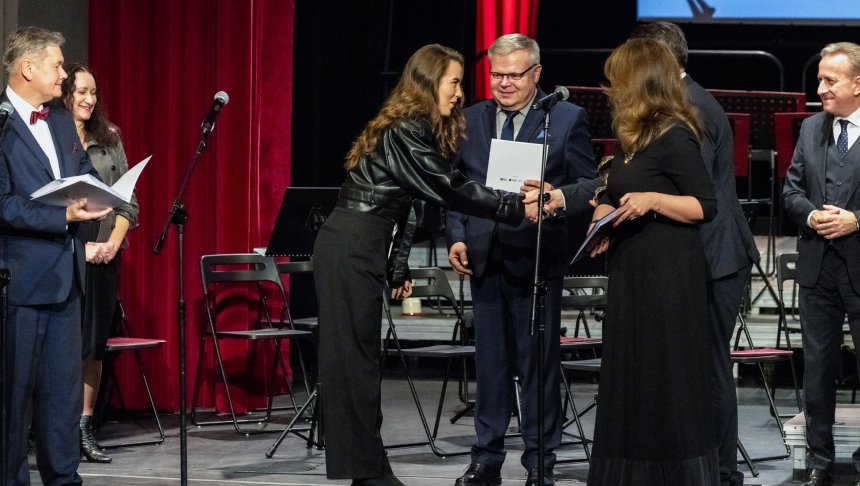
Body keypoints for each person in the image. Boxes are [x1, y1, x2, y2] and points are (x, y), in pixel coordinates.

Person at [313, 43, 529, 486]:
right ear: (430, 83)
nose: (460, 93)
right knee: (353, 364)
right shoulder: (406, 129)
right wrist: (512, 206)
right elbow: (446, 186)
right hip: (352, 243)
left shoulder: (411, 129)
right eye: (454, 82)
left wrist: (397, 266)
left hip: (364, 243)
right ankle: (368, 474)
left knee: (361, 362)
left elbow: (407, 205)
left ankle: (370, 473)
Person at [446, 33, 596, 486]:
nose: (504, 83)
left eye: (514, 75)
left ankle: (539, 461)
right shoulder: (470, 119)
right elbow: (455, 186)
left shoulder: (566, 118)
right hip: (484, 256)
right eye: (497, 74)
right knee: (489, 365)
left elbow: (590, 186)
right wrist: (457, 236)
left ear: (536, 73)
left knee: (537, 366)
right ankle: (486, 458)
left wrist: (554, 197)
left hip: (536, 259)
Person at [628, 22, 759, 486]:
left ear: (659, 60)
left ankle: (721, 472)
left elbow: (693, 193)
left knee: (708, 366)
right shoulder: (678, 103)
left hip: (714, 257)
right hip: (702, 255)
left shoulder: (691, 108)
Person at [585, 38, 719, 485]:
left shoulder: (675, 135)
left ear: (639, 81)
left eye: (617, 78)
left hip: (667, 277)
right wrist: (604, 213)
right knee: (632, 373)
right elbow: (616, 190)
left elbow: (704, 206)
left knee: (664, 374)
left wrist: (654, 200)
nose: (610, 87)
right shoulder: (632, 136)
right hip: (632, 271)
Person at [0, 27, 111, 485]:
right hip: (19, 285)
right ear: (28, 68)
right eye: (58, 65)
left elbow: (82, 173)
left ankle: (64, 480)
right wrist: (61, 215)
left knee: (62, 399)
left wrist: (102, 195)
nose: (64, 74)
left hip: (66, 282)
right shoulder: (2, 124)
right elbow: (3, 204)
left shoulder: (62, 122)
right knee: (12, 400)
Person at [782, 41, 860, 486]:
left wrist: (856, 220)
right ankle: (820, 461)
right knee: (818, 369)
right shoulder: (812, 128)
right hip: (817, 268)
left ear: (857, 84)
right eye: (820, 80)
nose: (821, 88)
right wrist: (812, 216)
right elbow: (791, 190)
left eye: (831, 80)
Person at [57, 63, 140, 464]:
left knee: (93, 347)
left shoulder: (110, 139)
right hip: (64, 254)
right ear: (66, 95)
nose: (89, 99)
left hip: (105, 258)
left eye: (93, 92)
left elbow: (128, 202)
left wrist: (111, 243)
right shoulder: (52, 137)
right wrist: (82, 248)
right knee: (61, 344)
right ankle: (51, 427)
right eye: (81, 92)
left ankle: (84, 427)